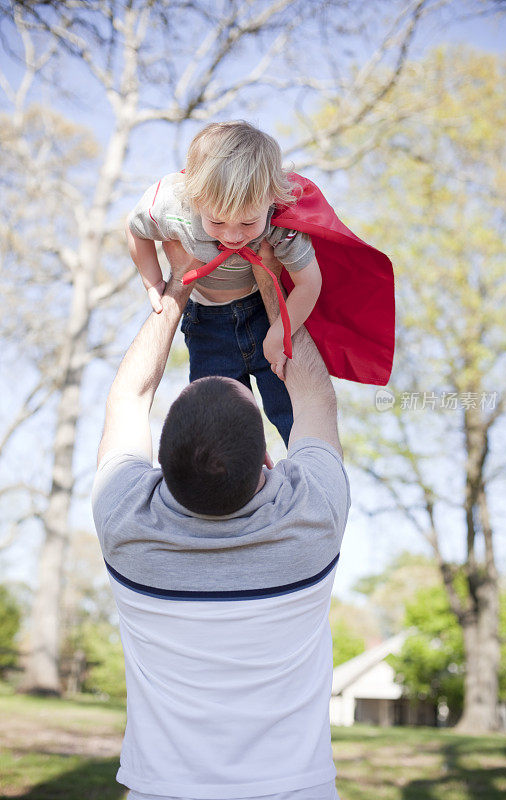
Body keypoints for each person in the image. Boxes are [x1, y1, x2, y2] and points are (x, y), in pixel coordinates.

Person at [92, 239, 350, 800]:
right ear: (266, 459)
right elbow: (313, 400)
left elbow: (128, 399)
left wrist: (176, 290)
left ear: (160, 465)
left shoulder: (126, 525)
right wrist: (272, 288)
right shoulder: (311, 521)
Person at [126, 120, 323, 446]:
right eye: (217, 221)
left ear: (271, 199)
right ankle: (239, 484)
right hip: (206, 323)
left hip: (261, 310)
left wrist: (279, 333)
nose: (233, 235)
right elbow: (135, 230)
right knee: (219, 422)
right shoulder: (174, 205)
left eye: (248, 222)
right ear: (197, 198)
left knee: (289, 404)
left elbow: (309, 283)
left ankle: (309, 473)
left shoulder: (279, 217)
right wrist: (152, 280)